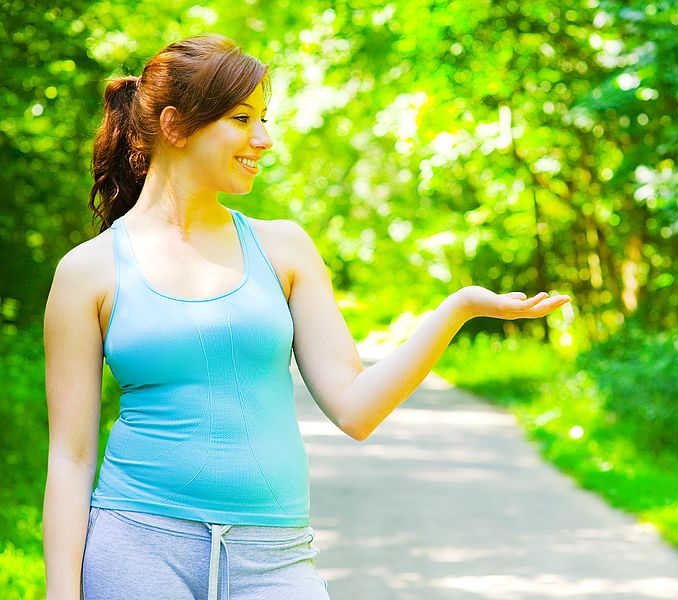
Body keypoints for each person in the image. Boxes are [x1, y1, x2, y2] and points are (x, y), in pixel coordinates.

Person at [42, 33, 571, 600]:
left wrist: (457, 309)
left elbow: (356, 409)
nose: (264, 139)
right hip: (138, 548)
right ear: (174, 126)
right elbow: (71, 459)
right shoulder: (89, 272)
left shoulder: (284, 250)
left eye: (264, 119)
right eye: (242, 119)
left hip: (273, 559)